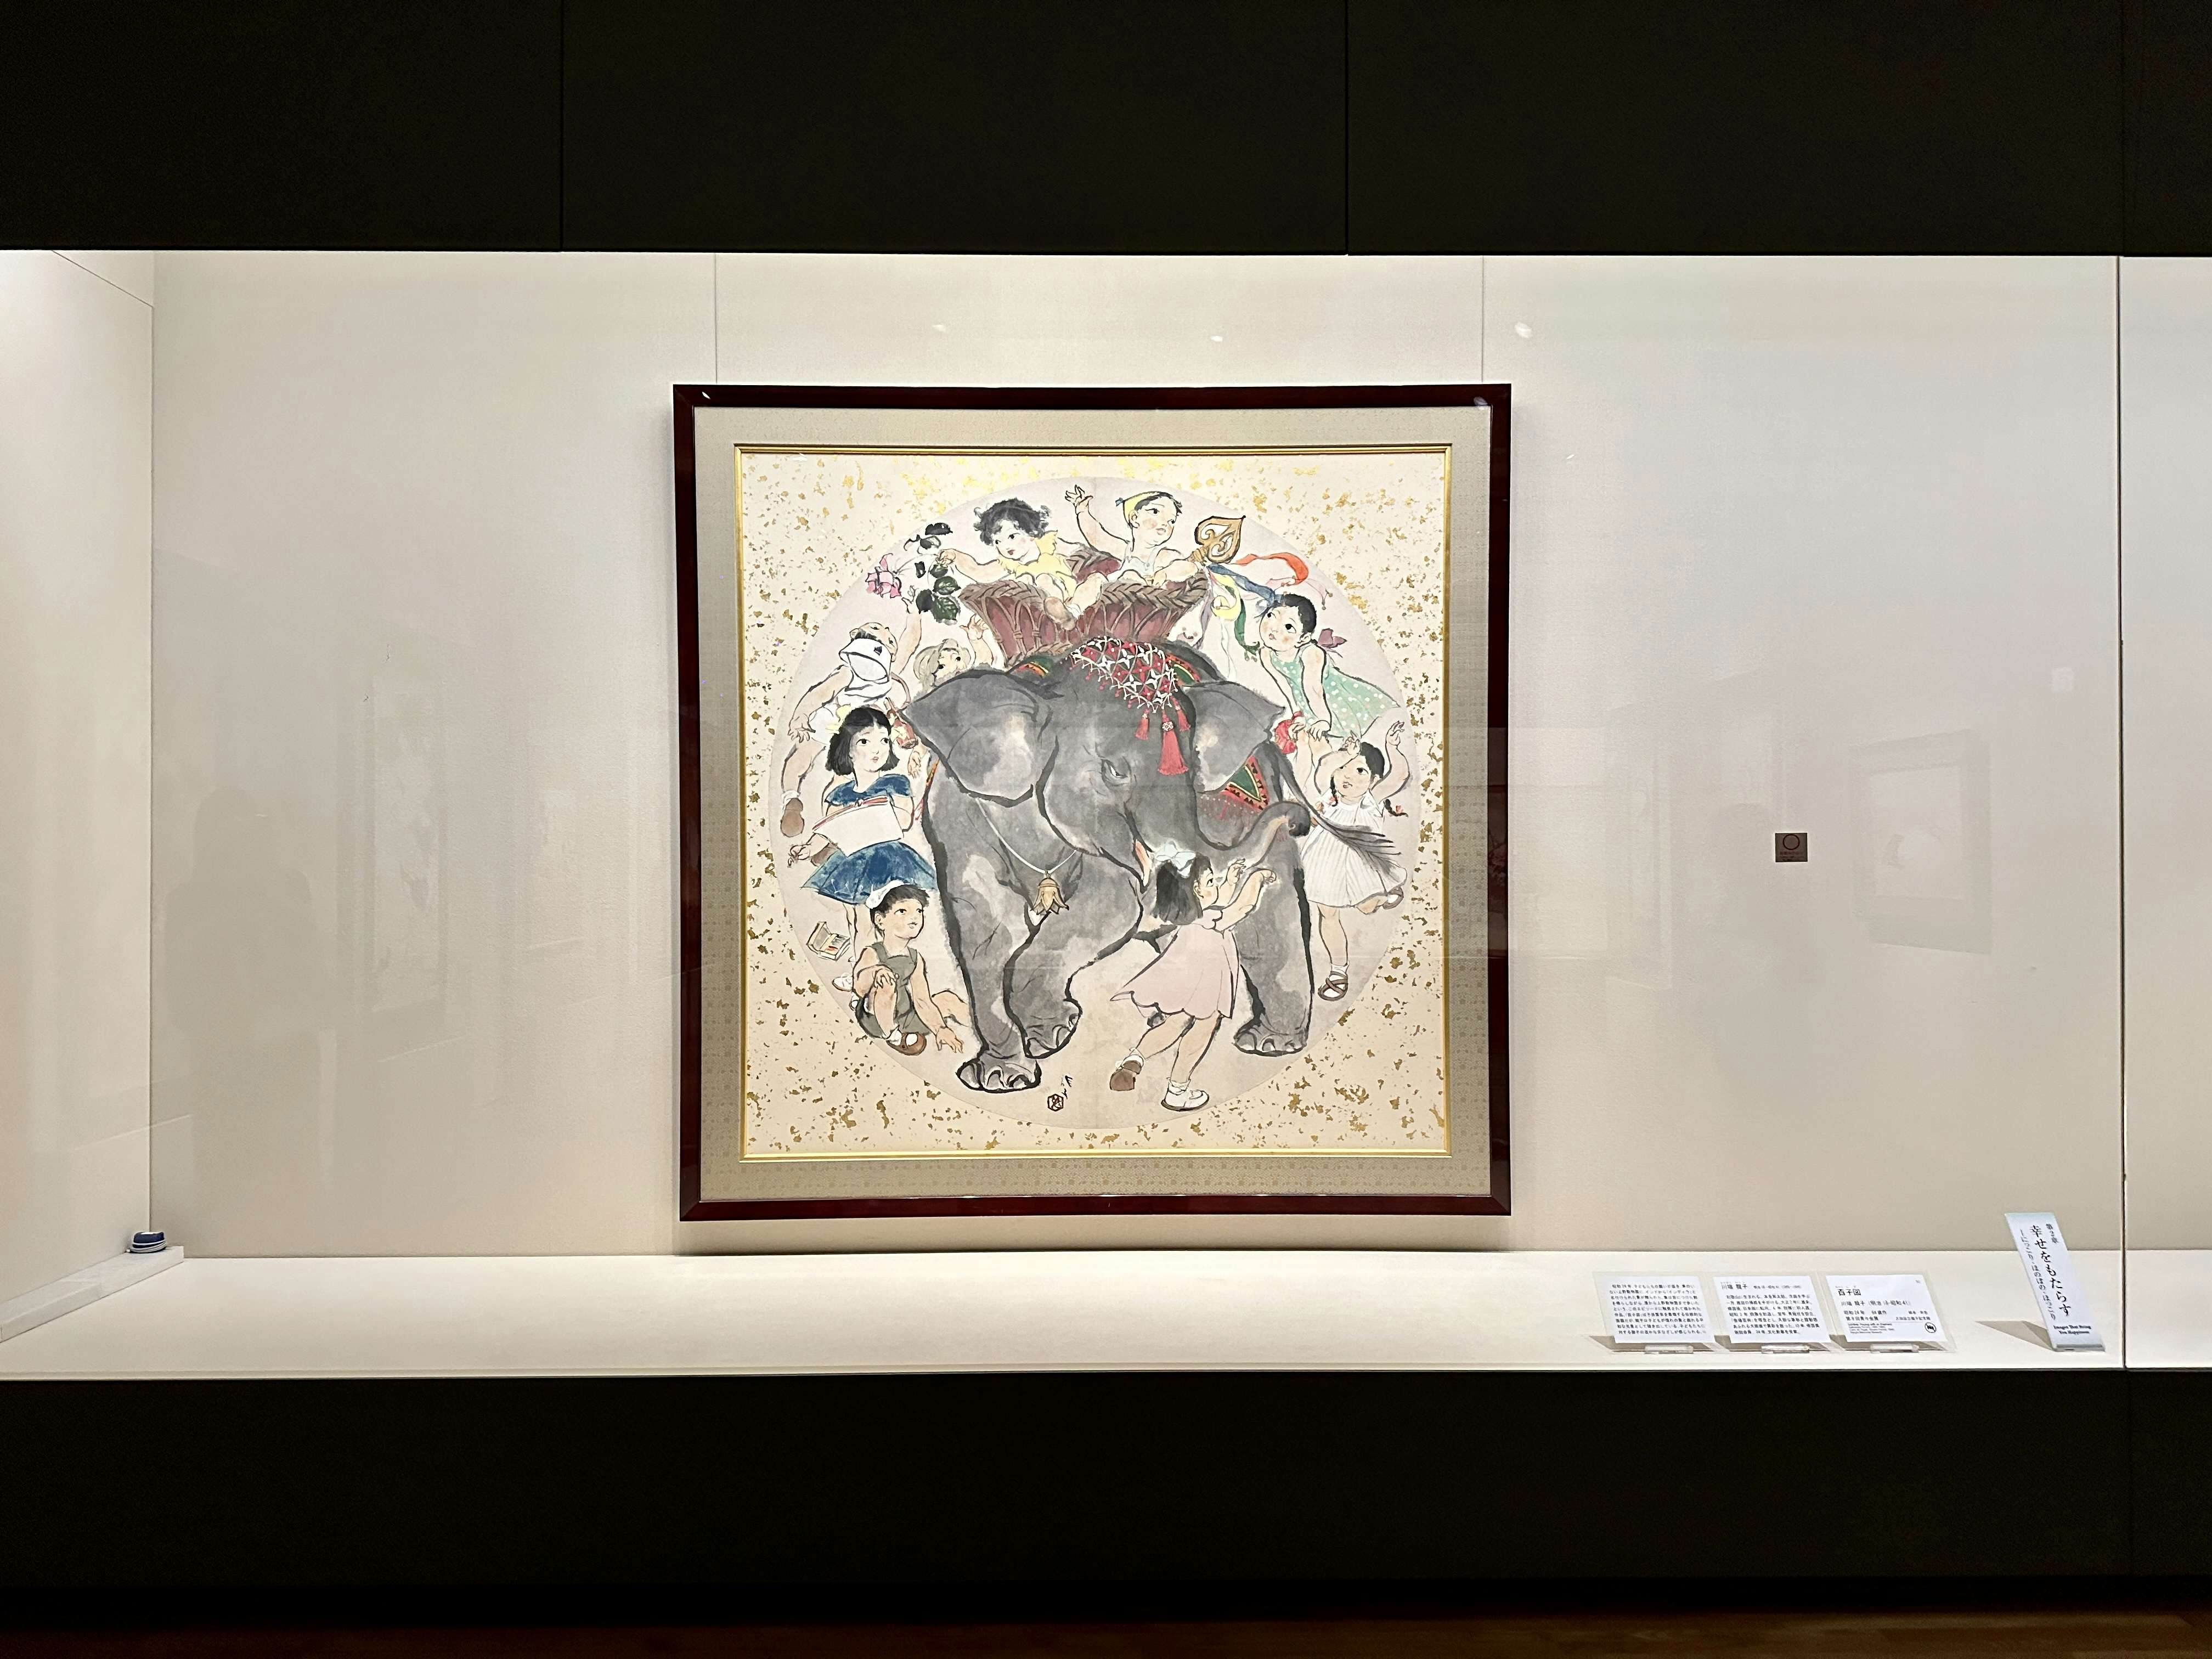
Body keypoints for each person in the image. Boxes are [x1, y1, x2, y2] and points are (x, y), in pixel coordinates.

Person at [1108, 845, 1277, 1112]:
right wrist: (1257, 878)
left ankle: (1135, 1059)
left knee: (1176, 1022)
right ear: (1196, 891)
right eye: (1210, 881)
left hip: (1185, 972)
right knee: (1203, 1027)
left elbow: (1216, 897)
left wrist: (1230, 880)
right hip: (1206, 976)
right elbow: (1241, 907)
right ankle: (1177, 1090)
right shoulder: (1211, 919)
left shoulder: (1195, 915)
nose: (1215, 884)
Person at [788, 707, 935, 979]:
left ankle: (893, 972)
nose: (876, 749)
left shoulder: (895, 782)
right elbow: (828, 832)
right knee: (859, 921)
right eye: (865, 741)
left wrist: (876, 811)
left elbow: (905, 821)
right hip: (853, 865)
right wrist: (806, 849)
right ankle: (862, 974)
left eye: (884, 740)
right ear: (849, 750)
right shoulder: (839, 795)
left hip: (889, 860)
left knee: (891, 919)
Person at [1296, 725, 1411, 1001]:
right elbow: (1323, 767)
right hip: (1326, 865)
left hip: (1361, 867)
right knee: (1328, 914)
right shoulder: (1328, 798)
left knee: (1367, 906)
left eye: (1359, 771)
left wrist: (1392, 747)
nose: (1348, 775)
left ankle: (1380, 897)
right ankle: (1339, 970)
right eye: (1344, 768)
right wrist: (1341, 755)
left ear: (1373, 780)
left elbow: (1400, 775)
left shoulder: (1370, 800)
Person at [778, 617, 921, 837]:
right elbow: (822, 692)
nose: (885, 629)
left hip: (855, 728)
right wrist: (802, 714)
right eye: (876, 628)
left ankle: (831, 826)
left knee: (840, 776)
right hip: (838, 721)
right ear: (855, 634)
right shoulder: (851, 669)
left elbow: (910, 643)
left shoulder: (885, 672)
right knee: (804, 758)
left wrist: (915, 615)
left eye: (890, 640)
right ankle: (792, 800)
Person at [1255, 594, 1395, 746]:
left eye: (1288, 627)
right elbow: (1285, 686)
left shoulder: (1311, 653)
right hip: (1309, 705)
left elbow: (1314, 688)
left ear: (1303, 638)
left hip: (1336, 700)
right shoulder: (1266, 654)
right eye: (1271, 616)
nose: (1274, 628)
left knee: (1362, 738)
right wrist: (1298, 714)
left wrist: (1323, 719)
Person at [849, 884, 968, 1057]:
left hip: (906, 1015)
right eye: (903, 911)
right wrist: (876, 972)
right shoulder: (873, 952)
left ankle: (988, 1028)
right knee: (887, 983)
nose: (914, 917)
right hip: (878, 1018)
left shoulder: (915, 958)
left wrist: (940, 1028)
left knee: (947, 999)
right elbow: (859, 988)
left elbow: (922, 1000)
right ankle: (894, 1037)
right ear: (880, 921)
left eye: (919, 911)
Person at [943, 498, 1087, 624]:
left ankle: (1072, 610)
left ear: (1031, 532)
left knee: (1094, 580)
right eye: (998, 542)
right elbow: (981, 573)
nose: (1006, 546)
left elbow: (1081, 551)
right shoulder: (1010, 563)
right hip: (1046, 605)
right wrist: (955, 556)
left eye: (1012, 537)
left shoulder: (1048, 543)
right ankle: (1059, 613)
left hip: (1071, 592)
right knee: (1034, 580)